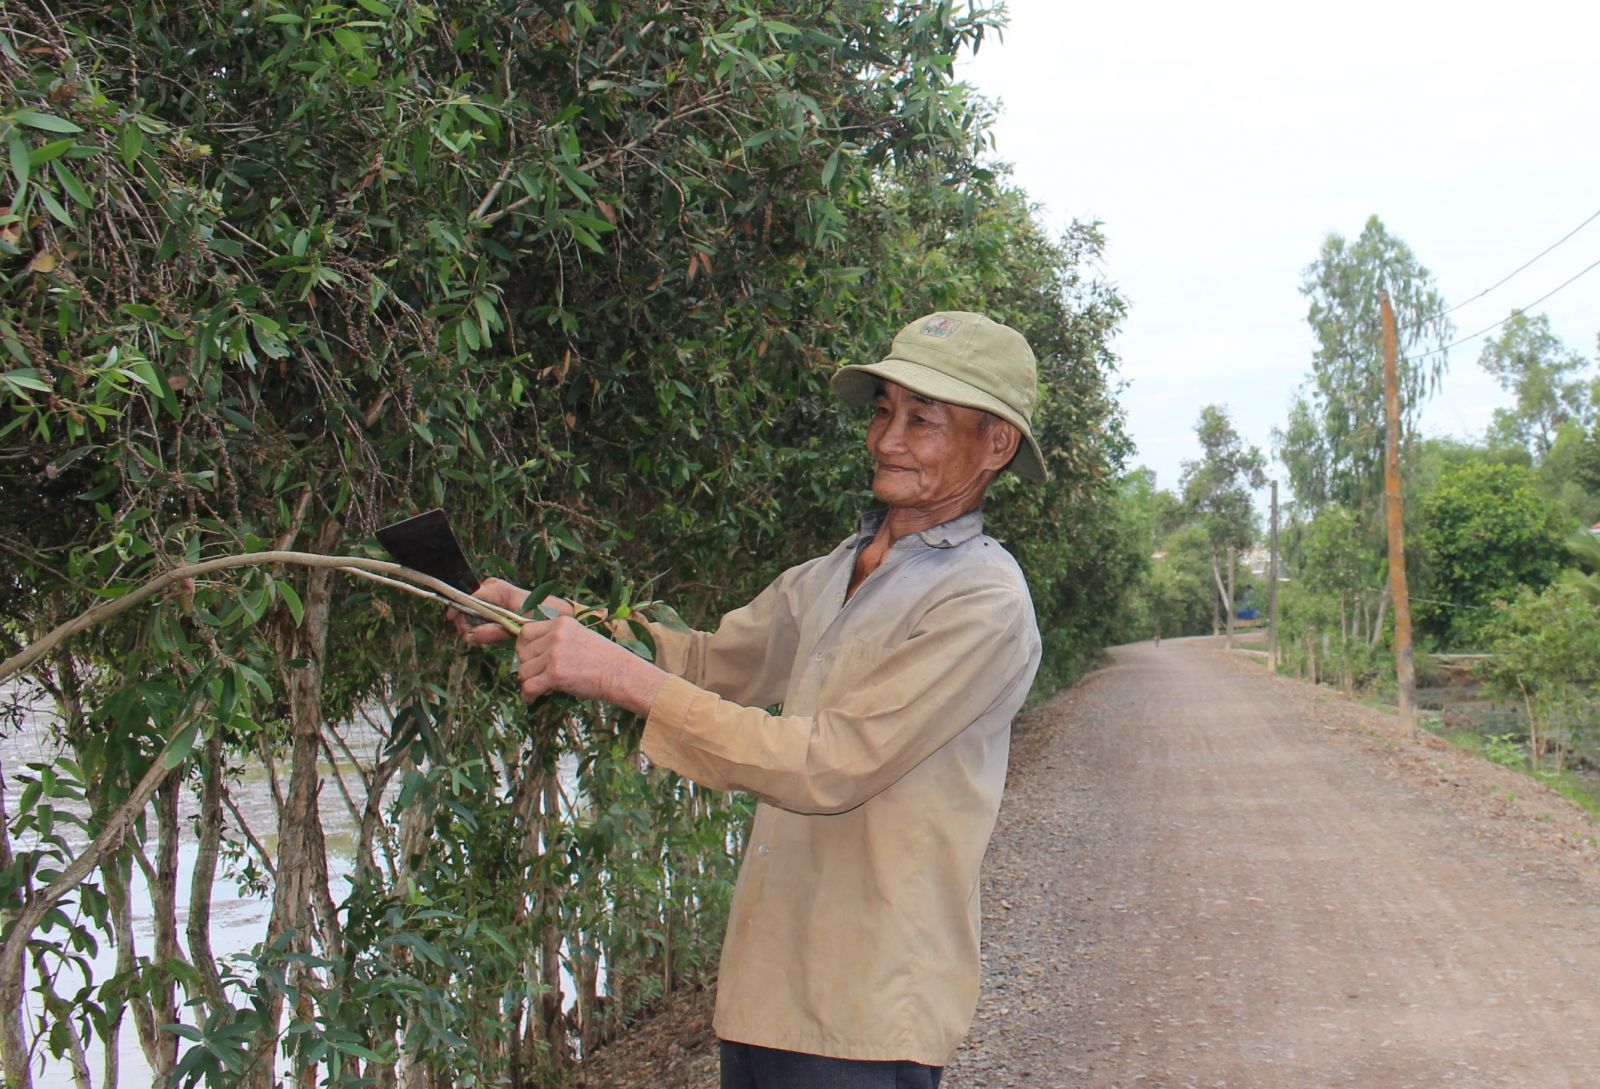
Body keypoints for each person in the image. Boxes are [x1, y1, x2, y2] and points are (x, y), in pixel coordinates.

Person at [458, 311, 1045, 1088]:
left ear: (995, 445)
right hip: (766, 989)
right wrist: (555, 620)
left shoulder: (985, 601)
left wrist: (617, 676)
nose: (885, 439)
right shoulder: (836, 569)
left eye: (921, 419)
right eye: (881, 411)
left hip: (865, 1008)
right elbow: (709, 658)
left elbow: (829, 763)